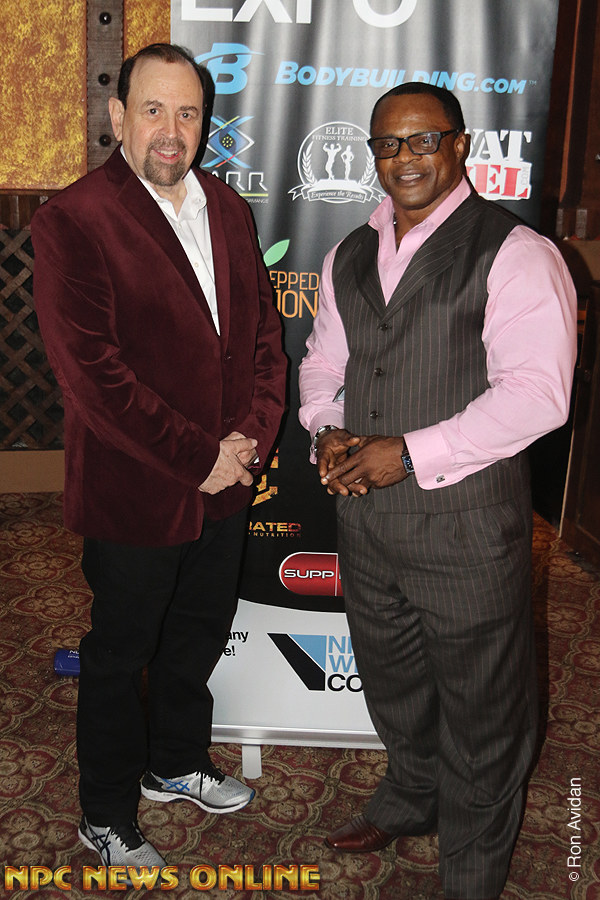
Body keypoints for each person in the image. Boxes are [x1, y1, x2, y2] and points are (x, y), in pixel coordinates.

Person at [299, 83, 576, 900]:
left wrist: (411, 453)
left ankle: (472, 872)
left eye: (424, 140)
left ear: (460, 146)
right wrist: (326, 425)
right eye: (388, 144)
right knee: (393, 685)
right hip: (368, 526)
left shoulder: (516, 252)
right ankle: (411, 795)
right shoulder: (349, 253)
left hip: (466, 530)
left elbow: (538, 395)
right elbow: (324, 361)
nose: (405, 158)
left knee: (485, 711)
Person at [31, 43, 287, 874]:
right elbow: (94, 377)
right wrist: (199, 456)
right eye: (153, 110)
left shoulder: (227, 207)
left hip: (225, 485)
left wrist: (249, 439)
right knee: (120, 655)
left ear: (205, 123)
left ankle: (175, 763)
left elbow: (262, 339)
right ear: (119, 117)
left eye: (187, 113)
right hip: (136, 492)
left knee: (197, 637)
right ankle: (104, 813)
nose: (171, 130)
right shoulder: (74, 219)